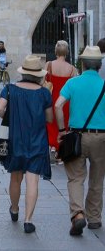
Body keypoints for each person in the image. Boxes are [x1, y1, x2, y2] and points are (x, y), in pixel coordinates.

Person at [0, 55, 53, 234]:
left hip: (16, 139)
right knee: (32, 179)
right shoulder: (44, 93)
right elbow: (49, 118)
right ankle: (28, 220)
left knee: (15, 177)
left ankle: (14, 209)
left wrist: (11, 119)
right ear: (39, 74)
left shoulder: (10, 89)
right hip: (37, 140)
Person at [55, 46, 105, 236]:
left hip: (77, 136)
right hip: (101, 137)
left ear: (82, 63)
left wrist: (61, 130)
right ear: (99, 66)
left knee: (75, 178)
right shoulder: (104, 84)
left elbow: (58, 105)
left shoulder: (73, 83)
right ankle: (94, 218)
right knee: (97, 178)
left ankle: (77, 215)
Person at [45, 40, 78, 165]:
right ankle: (60, 150)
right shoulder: (72, 69)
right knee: (63, 124)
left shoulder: (49, 65)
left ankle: (53, 146)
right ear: (67, 52)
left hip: (52, 99)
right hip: (65, 102)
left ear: (56, 51)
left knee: (52, 123)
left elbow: (43, 81)